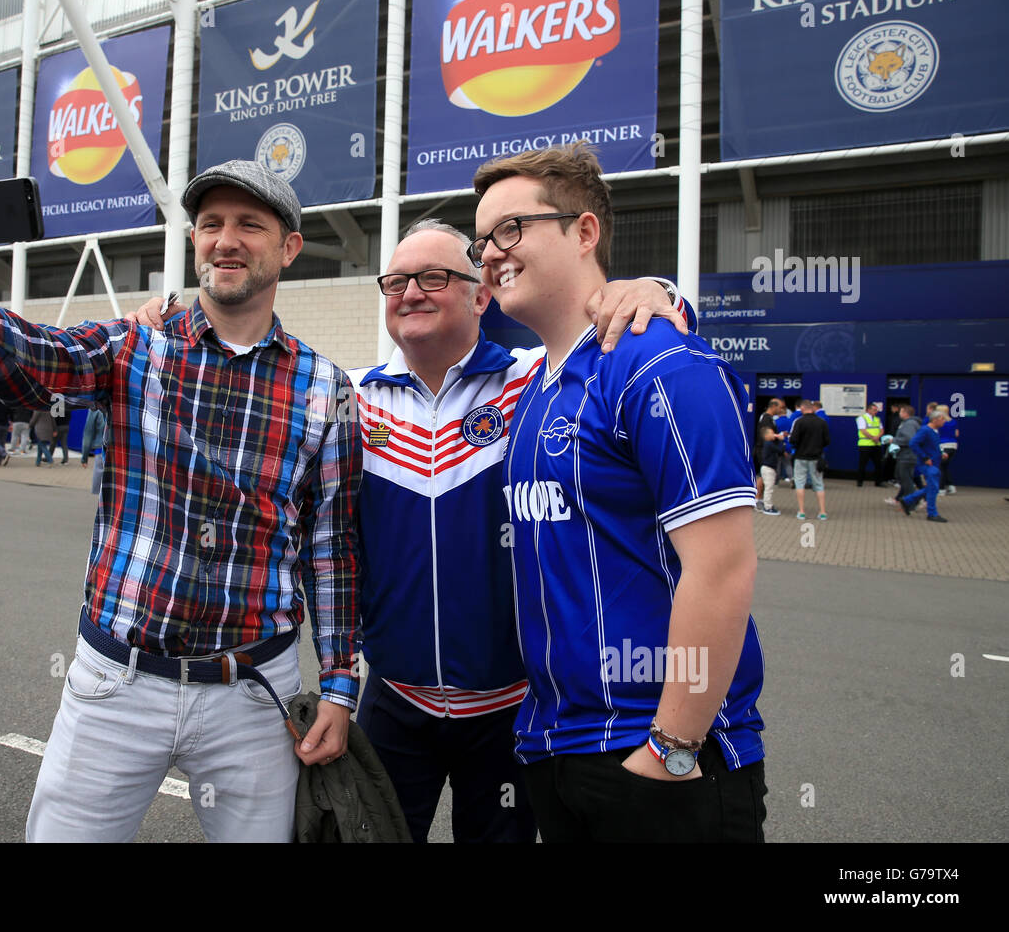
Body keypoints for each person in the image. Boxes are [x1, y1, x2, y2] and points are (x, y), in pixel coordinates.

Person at [130, 219, 690, 843]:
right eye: (395, 281)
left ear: (481, 296)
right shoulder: (348, 400)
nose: (410, 293)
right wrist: (170, 324)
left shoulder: (535, 379)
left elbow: (643, 343)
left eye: (433, 278)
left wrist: (656, 291)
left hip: (513, 703)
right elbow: (249, 407)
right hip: (394, 704)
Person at [0, 161, 362, 843]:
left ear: (289, 247)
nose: (225, 240)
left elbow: (330, 549)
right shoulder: (134, 346)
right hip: (116, 684)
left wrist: (339, 685)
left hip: (253, 694)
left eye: (249, 225)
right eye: (210, 224)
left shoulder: (327, 387)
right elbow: (26, 359)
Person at [469, 144, 765, 842]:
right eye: (482, 239)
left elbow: (723, 567)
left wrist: (671, 748)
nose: (491, 252)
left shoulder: (661, 362)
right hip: (556, 751)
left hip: (660, 756)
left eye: (511, 228)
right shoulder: (532, 385)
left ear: (584, 231)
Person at [897, 408, 949, 522]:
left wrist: (941, 453)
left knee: (932, 488)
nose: (944, 421)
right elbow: (913, 443)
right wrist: (924, 457)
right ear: (935, 420)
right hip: (928, 464)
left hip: (934, 463)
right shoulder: (925, 430)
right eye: (942, 419)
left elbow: (933, 446)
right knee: (933, 488)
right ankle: (932, 513)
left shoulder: (934, 431)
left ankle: (907, 500)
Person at [789, 399, 830, 520]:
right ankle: (822, 512)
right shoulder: (822, 422)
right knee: (819, 484)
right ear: (812, 408)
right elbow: (827, 441)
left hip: (801, 457)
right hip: (817, 458)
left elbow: (793, 440)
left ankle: (801, 511)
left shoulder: (799, 422)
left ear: (802, 409)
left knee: (800, 483)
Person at [885, 404, 921, 506]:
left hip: (907, 456)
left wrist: (893, 440)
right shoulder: (910, 423)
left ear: (905, 413)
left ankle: (913, 502)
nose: (899, 413)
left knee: (906, 480)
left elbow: (909, 439)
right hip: (907, 455)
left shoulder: (909, 424)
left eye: (901, 411)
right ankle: (908, 500)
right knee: (904, 479)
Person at [855, 400, 884, 487]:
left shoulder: (877, 419)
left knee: (878, 464)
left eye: (876, 410)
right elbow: (863, 430)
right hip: (865, 444)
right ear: (868, 410)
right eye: (874, 410)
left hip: (876, 444)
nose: (876, 412)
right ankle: (860, 482)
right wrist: (873, 438)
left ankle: (878, 482)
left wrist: (877, 437)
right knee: (862, 464)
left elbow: (882, 430)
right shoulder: (862, 418)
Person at [758, 425, 782, 515]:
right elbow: (780, 450)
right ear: (766, 436)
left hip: (767, 468)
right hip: (769, 468)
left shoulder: (768, 444)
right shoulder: (769, 444)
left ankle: (767, 504)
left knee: (768, 487)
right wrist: (781, 440)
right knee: (769, 488)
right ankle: (768, 507)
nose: (774, 435)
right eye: (772, 433)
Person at [935, 403, 958, 494]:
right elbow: (956, 434)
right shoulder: (953, 421)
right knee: (944, 467)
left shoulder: (940, 423)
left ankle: (941, 489)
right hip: (953, 446)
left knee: (941, 467)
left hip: (943, 446)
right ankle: (951, 487)